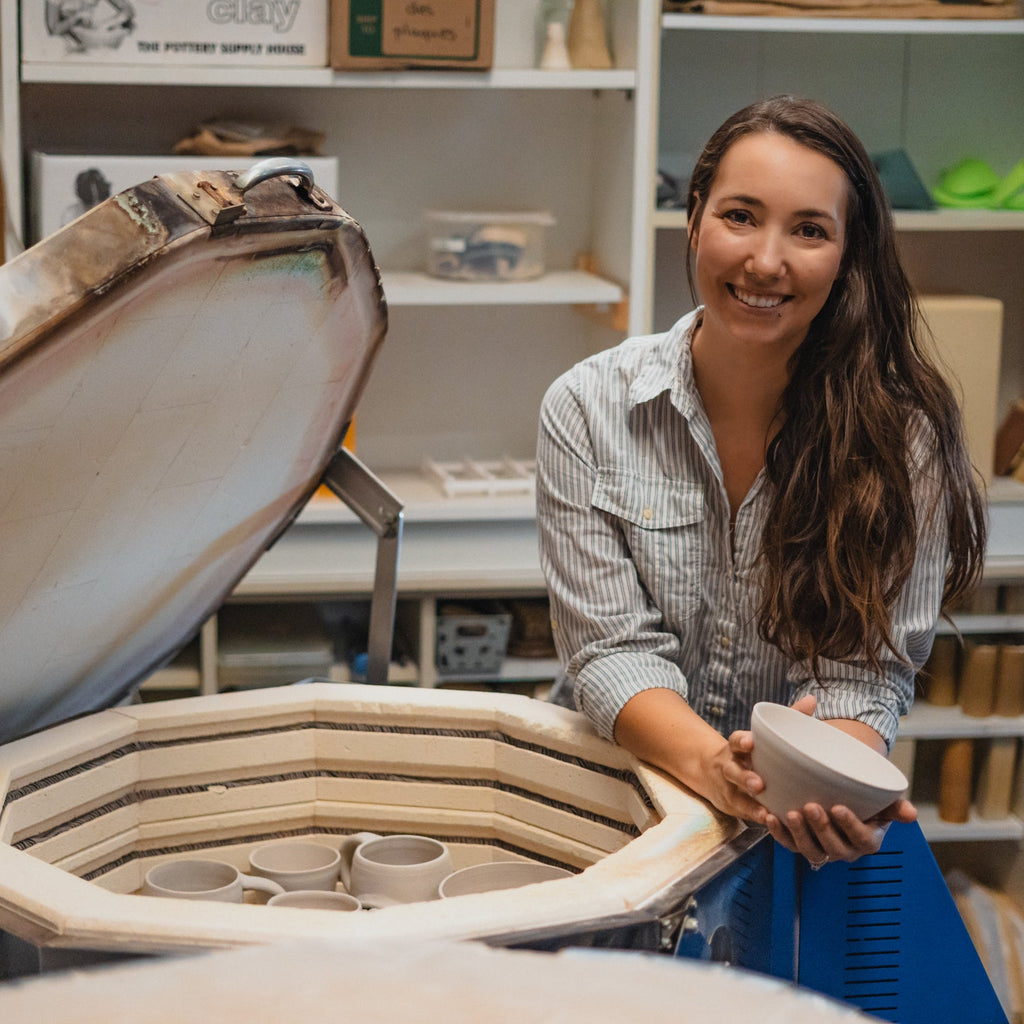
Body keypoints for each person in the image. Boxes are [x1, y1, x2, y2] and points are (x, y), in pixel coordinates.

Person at [536, 95, 987, 867]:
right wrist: (720, 770)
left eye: (809, 230)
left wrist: (825, 785)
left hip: (789, 844)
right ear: (694, 219)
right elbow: (610, 653)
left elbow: (865, 677)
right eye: (740, 216)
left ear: (849, 254)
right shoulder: (587, 407)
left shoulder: (900, 438)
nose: (766, 261)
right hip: (615, 819)